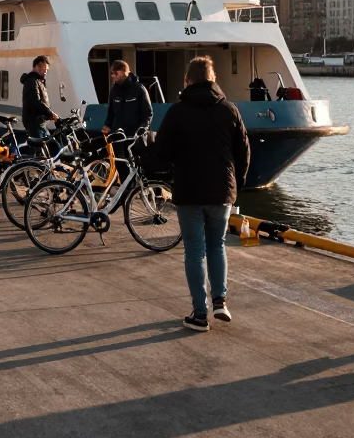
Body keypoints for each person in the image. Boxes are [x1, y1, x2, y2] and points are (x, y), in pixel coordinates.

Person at [151, 55, 250, 332]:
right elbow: (244, 150)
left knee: (195, 251)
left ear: (187, 80)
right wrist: (236, 185)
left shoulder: (177, 111)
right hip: (222, 191)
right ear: (213, 78)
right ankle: (220, 301)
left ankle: (199, 314)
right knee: (217, 245)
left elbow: (162, 152)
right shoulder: (229, 109)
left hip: (189, 190)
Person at [102, 60, 154, 180]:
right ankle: (126, 190)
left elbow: (148, 113)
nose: (113, 76)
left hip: (135, 136)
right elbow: (111, 112)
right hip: (119, 135)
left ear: (125, 72)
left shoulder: (139, 89)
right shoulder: (114, 91)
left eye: (116, 73)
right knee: (120, 163)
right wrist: (107, 125)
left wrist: (143, 129)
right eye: (111, 73)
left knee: (138, 165)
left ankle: (141, 189)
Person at [21, 56, 59, 139]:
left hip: (40, 122)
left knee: (48, 144)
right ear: (36, 67)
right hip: (34, 122)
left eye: (47, 68)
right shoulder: (32, 81)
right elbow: (36, 101)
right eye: (44, 67)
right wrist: (51, 114)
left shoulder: (38, 80)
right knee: (41, 148)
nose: (45, 70)